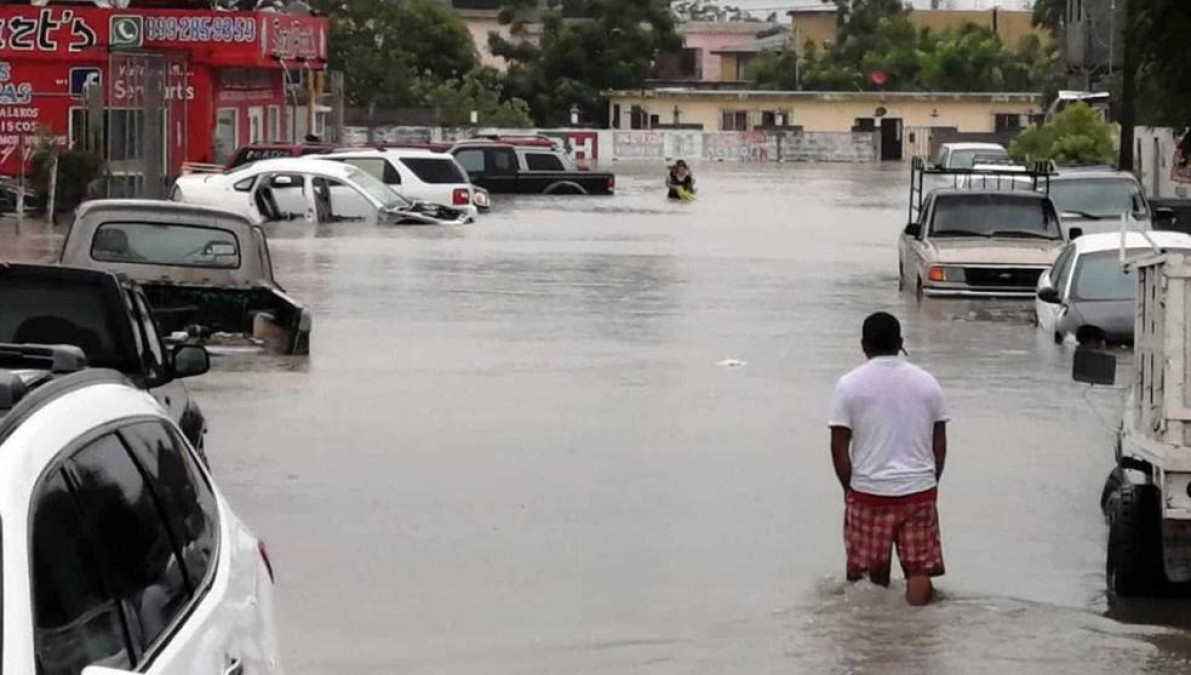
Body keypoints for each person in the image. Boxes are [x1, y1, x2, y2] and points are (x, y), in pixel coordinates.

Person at [827, 312, 948, 606]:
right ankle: (920, 626)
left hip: (869, 492)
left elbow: (839, 447)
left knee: (869, 577)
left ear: (863, 344)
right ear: (900, 342)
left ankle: (876, 628)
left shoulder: (848, 385)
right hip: (918, 491)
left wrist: (849, 489)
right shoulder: (928, 383)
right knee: (919, 570)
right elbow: (939, 442)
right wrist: (931, 481)